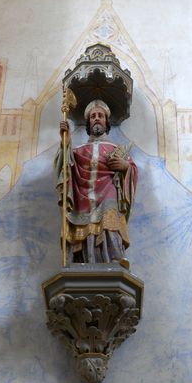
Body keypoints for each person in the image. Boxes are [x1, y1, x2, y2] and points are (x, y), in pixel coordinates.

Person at [55, 99, 138, 265]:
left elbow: (132, 170)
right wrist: (65, 144)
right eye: (93, 116)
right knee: (83, 224)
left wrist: (125, 167)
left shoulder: (116, 149)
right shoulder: (78, 151)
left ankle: (115, 258)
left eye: (100, 115)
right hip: (82, 196)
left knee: (110, 214)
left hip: (109, 190)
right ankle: (82, 260)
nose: (97, 118)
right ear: (88, 122)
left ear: (106, 121)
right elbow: (65, 168)